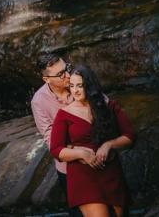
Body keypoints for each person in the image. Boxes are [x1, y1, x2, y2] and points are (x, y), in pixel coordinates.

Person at [50, 64, 135, 217]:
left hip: (110, 171)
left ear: (89, 86)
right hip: (83, 176)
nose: (74, 90)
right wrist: (81, 153)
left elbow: (130, 136)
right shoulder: (64, 114)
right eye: (71, 85)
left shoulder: (108, 106)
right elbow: (56, 149)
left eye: (80, 86)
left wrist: (109, 144)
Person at [31, 53, 88, 216]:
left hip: (98, 157)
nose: (67, 75)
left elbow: (104, 108)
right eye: (60, 74)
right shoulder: (38, 101)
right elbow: (51, 140)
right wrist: (78, 153)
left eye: (67, 69)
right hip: (69, 168)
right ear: (46, 79)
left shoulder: (78, 82)